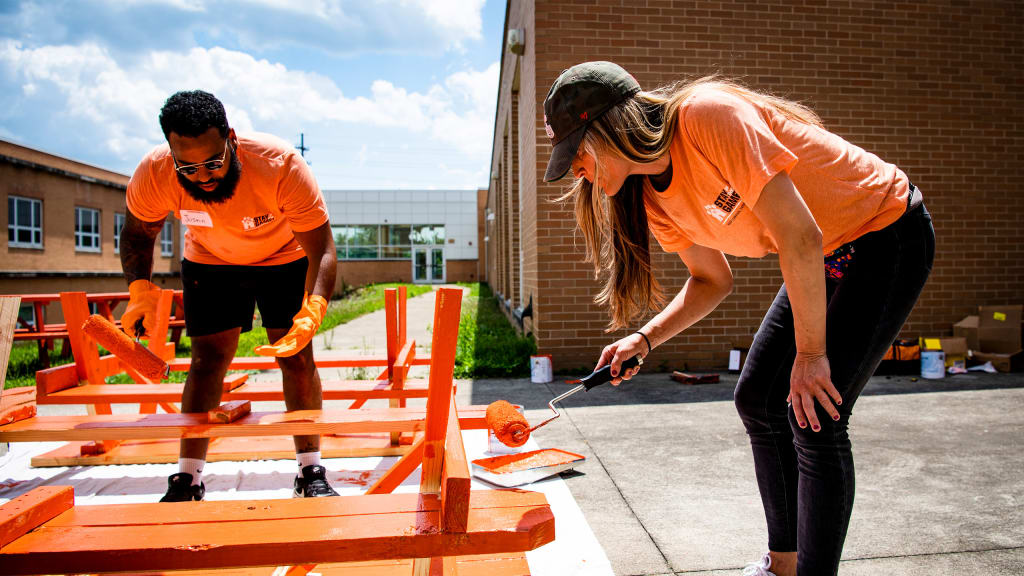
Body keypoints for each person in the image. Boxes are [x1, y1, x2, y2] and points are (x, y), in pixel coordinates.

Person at [542, 62, 934, 576]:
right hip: (823, 254)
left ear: (611, 128)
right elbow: (711, 280)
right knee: (758, 399)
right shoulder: (653, 197)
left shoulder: (708, 117)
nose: (576, 171)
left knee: (814, 414)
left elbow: (801, 236)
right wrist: (645, 338)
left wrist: (812, 356)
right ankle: (784, 566)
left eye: (577, 155)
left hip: (884, 233)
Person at [120, 90, 339, 502]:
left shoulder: (281, 164)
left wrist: (314, 306)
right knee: (206, 362)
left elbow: (322, 249)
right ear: (171, 152)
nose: (202, 176)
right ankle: (188, 477)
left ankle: (310, 471)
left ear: (231, 139)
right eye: (188, 166)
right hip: (210, 259)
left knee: (295, 357)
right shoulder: (155, 171)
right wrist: (139, 290)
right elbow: (137, 233)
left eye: (213, 162)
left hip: (283, 257)